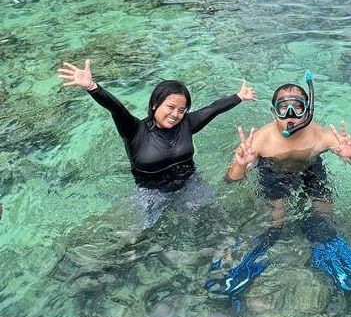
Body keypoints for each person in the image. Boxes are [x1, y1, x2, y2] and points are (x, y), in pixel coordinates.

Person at [206, 73, 351, 307]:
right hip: (272, 173)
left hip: (311, 170)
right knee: (275, 227)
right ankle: (247, 264)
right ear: (274, 111)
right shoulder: (261, 140)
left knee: (322, 223)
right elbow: (231, 181)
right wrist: (241, 164)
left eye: (298, 107)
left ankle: (330, 256)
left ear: (307, 111)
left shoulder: (322, 135)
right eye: (283, 108)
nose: (290, 116)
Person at [57, 58, 255, 226]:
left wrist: (238, 97)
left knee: (215, 220)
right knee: (145, 235)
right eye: (170, 107)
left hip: (190, 183)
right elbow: (117, 109)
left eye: (181, 110)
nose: (175, 114)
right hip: (151, 193)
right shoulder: (134, 130)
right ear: (154, 105)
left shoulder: (186, 124)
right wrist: (93, 87)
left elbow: (213, 109)